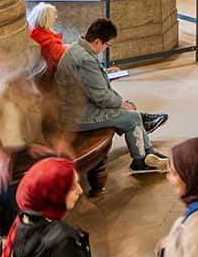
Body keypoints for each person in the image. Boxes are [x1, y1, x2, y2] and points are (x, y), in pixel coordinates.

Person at [55, 20, 169, 174]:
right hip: (76, 115)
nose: (106, 48)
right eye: (107, 44)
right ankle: (140, 161)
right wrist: (121, 104)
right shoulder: (85, 60)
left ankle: (148, 152)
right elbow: (102, 97)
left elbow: (89, 80)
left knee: (131, 107)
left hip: (79, 105)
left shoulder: (78, 48)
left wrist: (106, 72)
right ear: (97, 41)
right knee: (132, 117)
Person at [0, 41, 64, 223]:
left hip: (22, 148)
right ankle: (12, 232)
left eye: (4, 60)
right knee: (6, 184)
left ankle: (46, 224)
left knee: (54, 164)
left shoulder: (19, 83)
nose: (3, 65)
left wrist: (32, 143)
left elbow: (35, 117)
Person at [28, 2, 67, 74]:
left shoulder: (35, 32)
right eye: (54, 16)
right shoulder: (42, 38)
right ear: (46, 19)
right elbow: (60, 55)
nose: (56, 18)